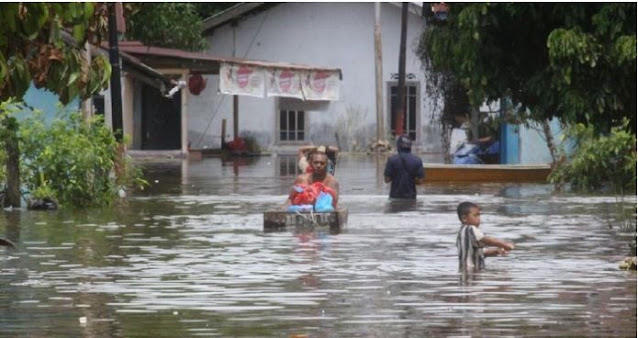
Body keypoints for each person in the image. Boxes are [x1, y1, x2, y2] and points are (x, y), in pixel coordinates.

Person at [456, 201, 514, 271]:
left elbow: (482, 252)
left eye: (479, 215)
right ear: (464, 218)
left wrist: (497, 251)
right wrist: (505, 245)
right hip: (472, 271)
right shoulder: (470, 229)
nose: (479, 219)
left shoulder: (462, 233)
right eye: (475, 215)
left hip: (464, 270)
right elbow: (487, 240)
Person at [383, 135, 425, 199]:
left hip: (395, 197)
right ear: (410, 146)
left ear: (398, 146)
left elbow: (386, 180)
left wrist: (396, 175)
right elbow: (420, 181)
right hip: (411, 198)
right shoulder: (417, 160)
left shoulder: (391, 160)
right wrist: (411, 178)